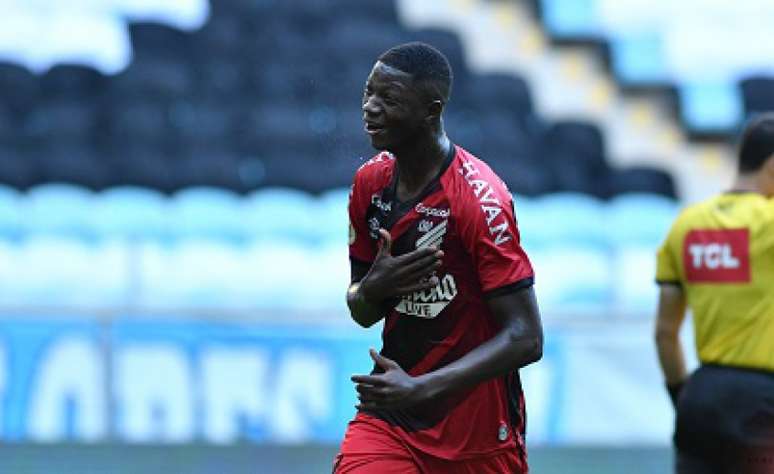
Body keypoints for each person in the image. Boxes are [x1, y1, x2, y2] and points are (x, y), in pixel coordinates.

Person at [333, 42, 543, 474]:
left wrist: (424, 388)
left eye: (388, 100)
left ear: (431, 111)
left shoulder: (480, 201)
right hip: (393, 419)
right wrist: (373, 288)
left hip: (477, 432)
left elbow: (526, 336)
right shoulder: (369, 185)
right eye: (368, 93)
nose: (370, 108)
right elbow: (361, 311)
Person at [655, 113, 774, 474]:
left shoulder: (686, 225)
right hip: (761, 402)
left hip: (701, 402)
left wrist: (682, 394)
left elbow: (665, 334)